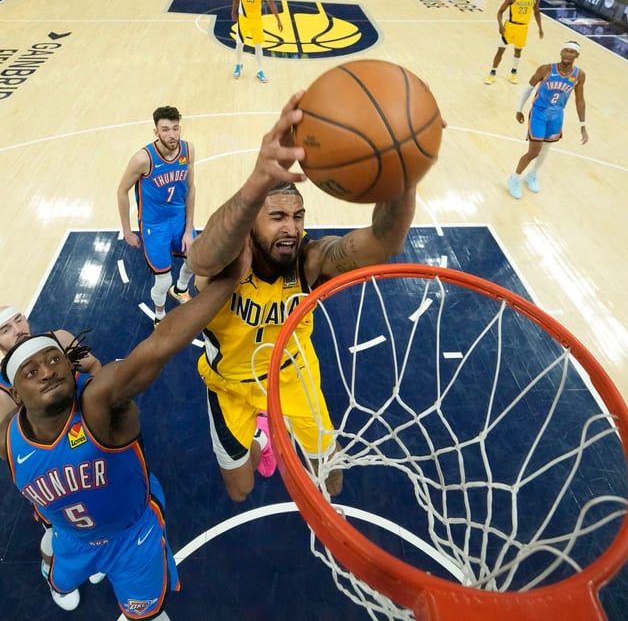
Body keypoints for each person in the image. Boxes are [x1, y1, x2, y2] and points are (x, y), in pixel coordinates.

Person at [186, 92, 442, 504]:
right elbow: (201, 256)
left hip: (293, 373)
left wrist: (404, 174)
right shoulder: (230, 257)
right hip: (230, 383)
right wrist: (257, 182)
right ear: (252, 222)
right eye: (277, 217)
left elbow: (384, 242)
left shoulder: (309, 259)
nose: (291, 228)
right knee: (240, 490)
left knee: (333, 477)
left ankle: (280, 431)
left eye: (297, 216)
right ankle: (261, 438)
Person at [0, 256, 245, 621]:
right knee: (54, 560)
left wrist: (226, 283)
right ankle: (56, 578)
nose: (47, 371)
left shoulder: (98, 402)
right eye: (31, 371)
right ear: (15, 394)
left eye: (54, 360)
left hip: (132, 540)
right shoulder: (5, 439)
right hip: (71, 538)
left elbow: (158, 346)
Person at [0, 305, 104, 610]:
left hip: (94, 447)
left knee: (103, 515)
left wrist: (103, 412)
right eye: (5, 329)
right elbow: (12, 452)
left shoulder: (60, 339)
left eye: (18, 319)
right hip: (55, 471)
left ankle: (98, 554)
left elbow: (94, 366)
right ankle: (53, 574)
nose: (18, 329)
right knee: (61, 531)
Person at [115, 106, 197, 326]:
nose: (172, 135)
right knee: (162, 280)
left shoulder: (187, 150)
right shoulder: (143, 159)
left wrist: (189, 228)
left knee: (195, 259)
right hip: (155, 225)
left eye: (176, 128)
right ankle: (159, 315)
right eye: (166, 129)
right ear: (156, 132)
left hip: (179, 218)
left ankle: (180, 289)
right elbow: (121, 190)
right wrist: (126, 230)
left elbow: (191, 189)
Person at [507, 41, 588, 200]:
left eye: (572, 52)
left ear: (577, 55)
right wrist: (519, 109)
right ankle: (514, 178)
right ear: (561, 52)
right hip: (539, 112)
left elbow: (580, 99)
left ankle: (532, 174)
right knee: (534, 151)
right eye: (565, 50)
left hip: (557, 114)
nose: (568, 54)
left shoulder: (579, 75)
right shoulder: (546, 69)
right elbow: (528, 88)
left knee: (546, 149)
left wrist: (582, 125)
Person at [486, 0, 544, 85]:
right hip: (510, 27)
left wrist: (540, 28)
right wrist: (500, 25)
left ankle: (513, 72)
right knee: (500, 51)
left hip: (523, 28)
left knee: (518, 51)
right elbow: (500, 12)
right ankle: (492, 73)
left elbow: (536, 13)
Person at [231, 0, 282, 83]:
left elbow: (271, 3)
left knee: (258, 46)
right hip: (243, 19)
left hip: (256, 20)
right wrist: (233, 11)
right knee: (239, 44)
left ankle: (260, 70)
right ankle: (238, 65)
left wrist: (278, 20)